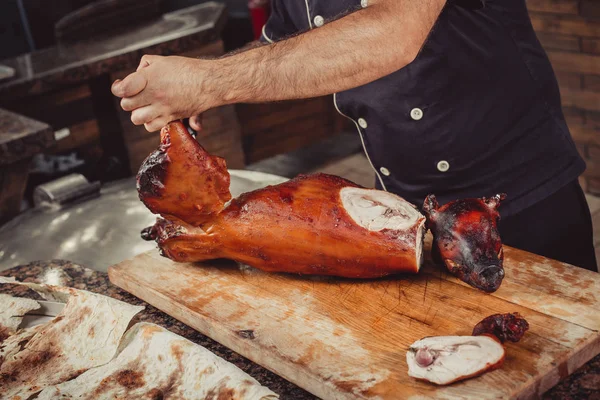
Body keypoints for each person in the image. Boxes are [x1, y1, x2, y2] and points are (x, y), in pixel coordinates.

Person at [111, 0, 598, 271]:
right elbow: (281, 48)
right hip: (408, 211)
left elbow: (394, 32)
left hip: (522, 199)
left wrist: (208, 82)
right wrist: (205, 84)